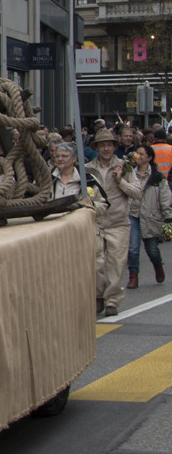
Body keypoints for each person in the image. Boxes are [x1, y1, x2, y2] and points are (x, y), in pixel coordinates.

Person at [86, 129, 141, 318]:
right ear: (97, 148)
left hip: (118, 221)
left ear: (114, 147)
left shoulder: (124, 167)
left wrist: (120, 182)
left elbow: (137, 192)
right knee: (95, 263)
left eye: (109, 145)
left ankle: (112, 300)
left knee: (116, 264)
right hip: (96, 221)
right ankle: (98, 295)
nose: (106, 148)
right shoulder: (88, 168)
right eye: (102, 145)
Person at [125, 144, 171, 290]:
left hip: (150, 216)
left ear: (149, 158)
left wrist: (168, 217)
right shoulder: (130, 172)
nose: (138, 156)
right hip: (133, 214)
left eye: (142, 154)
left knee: (152, 249)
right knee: (133, 248)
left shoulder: (157, 177)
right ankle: (133, 276)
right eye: (137, 153)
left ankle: (158, 266)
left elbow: (165, 197)